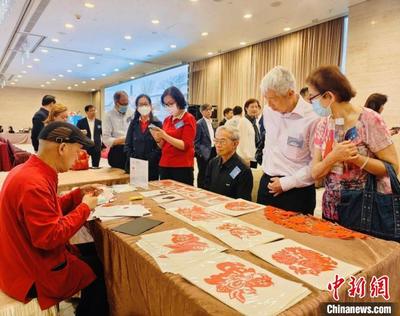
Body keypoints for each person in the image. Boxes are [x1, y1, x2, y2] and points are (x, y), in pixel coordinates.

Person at [0, 121, 109, 315]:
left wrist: (76, 196)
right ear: (62, 148)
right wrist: (84, 207)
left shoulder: (29, 170)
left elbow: (49, 210)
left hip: (20, 259)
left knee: (98, 250)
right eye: (77, 152)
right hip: (31, 271)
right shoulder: (34, 182)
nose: (78, 158)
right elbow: (48, 237)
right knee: (102, 270)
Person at [308, 65, 399, 222]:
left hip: (366, 210)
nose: (311, 104)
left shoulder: (369, 119)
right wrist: (333, 158)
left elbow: (393, 167)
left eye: (312, 98)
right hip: (331, 209)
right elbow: (315, 173)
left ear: (329, 96)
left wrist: (355, 158)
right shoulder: (323, 124)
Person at [257, 66, 319, 215]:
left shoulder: (313, 118)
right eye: (266, 99)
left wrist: (286, 183)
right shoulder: (269, 111)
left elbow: (316, 164)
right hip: (267, 184)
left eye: (273, 99)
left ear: (290, 93)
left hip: (296, 192)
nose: (269, 105)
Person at [150, 86, 196, 185]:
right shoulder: (167, 120)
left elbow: (185, 145)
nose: (169, 106)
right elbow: (162, 146)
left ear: (179, 101)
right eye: (166, 104)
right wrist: (158, 139)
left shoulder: (188, 118)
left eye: (171, 103)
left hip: (182, 165)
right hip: (165, 164)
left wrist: (165, 135)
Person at [204, 126, 253, 200]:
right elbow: (206, 190)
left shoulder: (243, 169)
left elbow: (243, 202)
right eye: (216, 141)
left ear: (235, 144)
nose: (218, 145)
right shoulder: (212, 163)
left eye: (222, 141)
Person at [125, 94, 162, 180]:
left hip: (152, 166)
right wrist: (133, 158)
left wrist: (149, 159)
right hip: (135, 165)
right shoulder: (133, 123)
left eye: (146, 104)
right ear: (137, 107)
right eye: (140, 104)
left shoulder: (157, 123)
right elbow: (127, 144)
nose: (143, 107)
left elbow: (160, 146)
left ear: (150, 106)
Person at [103, 91, 133, 170]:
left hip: (132, 151)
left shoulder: (132, 113)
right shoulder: (108, 115)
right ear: (116, 103)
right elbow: (106, 139)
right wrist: (125, 139)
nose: (126, 106)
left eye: (127, 103)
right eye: (123, 104)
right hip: (117, 152)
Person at [194, 104, 215, 188]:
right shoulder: (199, 123)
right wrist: (200, 154)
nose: (209, 112)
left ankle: (208, 188)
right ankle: (200, 190)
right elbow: (196, 141)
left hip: (213, 150)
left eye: (210, 110)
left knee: (210, 172)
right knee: (202, 173)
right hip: (204, 153)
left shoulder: (211, 122)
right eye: (207, 110)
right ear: (202, 112)